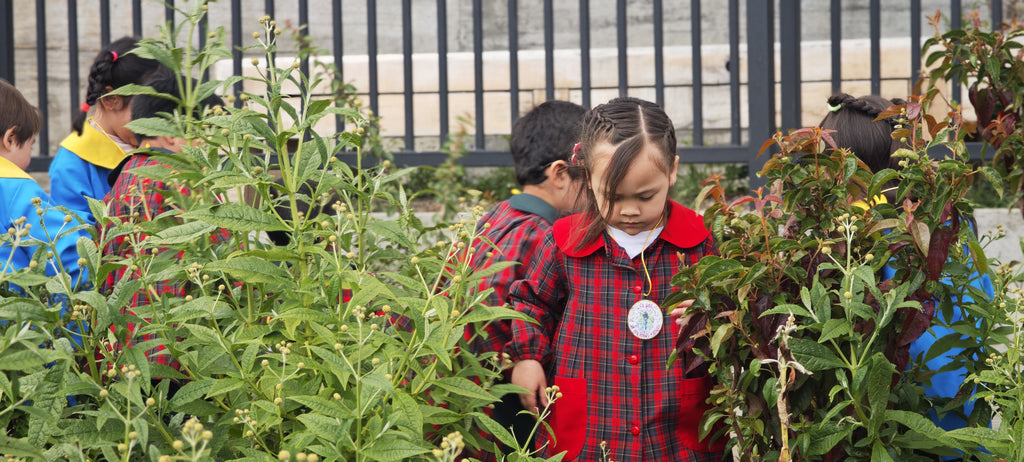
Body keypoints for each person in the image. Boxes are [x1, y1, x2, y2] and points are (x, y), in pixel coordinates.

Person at [506, 96, 726, 461]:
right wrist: (527, 358)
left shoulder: (701, 242)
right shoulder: (564, 241)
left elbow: (736, 316)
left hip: (675, 434)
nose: (629, 210)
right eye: (612, 196)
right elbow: (531, 303)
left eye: (645, 195)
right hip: (591, 430)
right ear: (587, 175)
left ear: (672, 171)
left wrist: (712, 317)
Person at [821, 93, 995, 434]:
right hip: (970, 422)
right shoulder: (952, 225)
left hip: (918, 428)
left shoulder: (884, 241)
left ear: (859, 175)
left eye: (832, 171)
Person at [464, 100, 586, 456]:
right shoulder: (543, 237)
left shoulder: (492, 218)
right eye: (593, 177)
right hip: (507, 416)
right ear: (561, 174)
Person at [99, 70, 226, 373]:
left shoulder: (121, 182)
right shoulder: (183, 183)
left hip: (126, 357)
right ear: (172, 132)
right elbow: (227, 261)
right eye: (206, 133)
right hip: (178, 360)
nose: (214, 149)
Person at [50, 37, 162, 223]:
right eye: (148, 107)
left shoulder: (158, 144)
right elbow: (73, 242)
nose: (157, 119)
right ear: (111, 99)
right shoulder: (71, 165)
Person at [0, 78, 89, 288]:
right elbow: (63, 259)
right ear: (11, 139)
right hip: (20, 318)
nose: (29, 157)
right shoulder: (17, 187)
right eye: (30, 145)